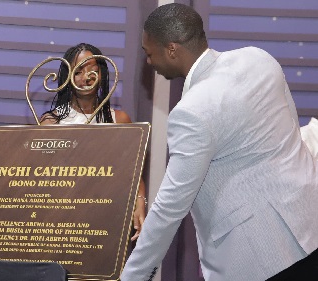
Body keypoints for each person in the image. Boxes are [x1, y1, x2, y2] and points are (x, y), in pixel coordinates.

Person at [120, 4, 318, 281]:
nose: (149, 62)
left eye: (149, 53)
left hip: (259, 261)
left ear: (172, 49)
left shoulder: (192, 111)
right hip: (310, 227)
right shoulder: (258, 58)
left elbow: (169, 208)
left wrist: (133, 276)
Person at [40, 43, 147, 240]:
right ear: (67, 76)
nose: (86, 77)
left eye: (93, 70)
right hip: (61, 220)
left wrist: (140, 199)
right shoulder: (51, 122)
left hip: (107, 218)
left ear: (103, 74)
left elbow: (132, 169)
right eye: (78, 71)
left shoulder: (120, 120)